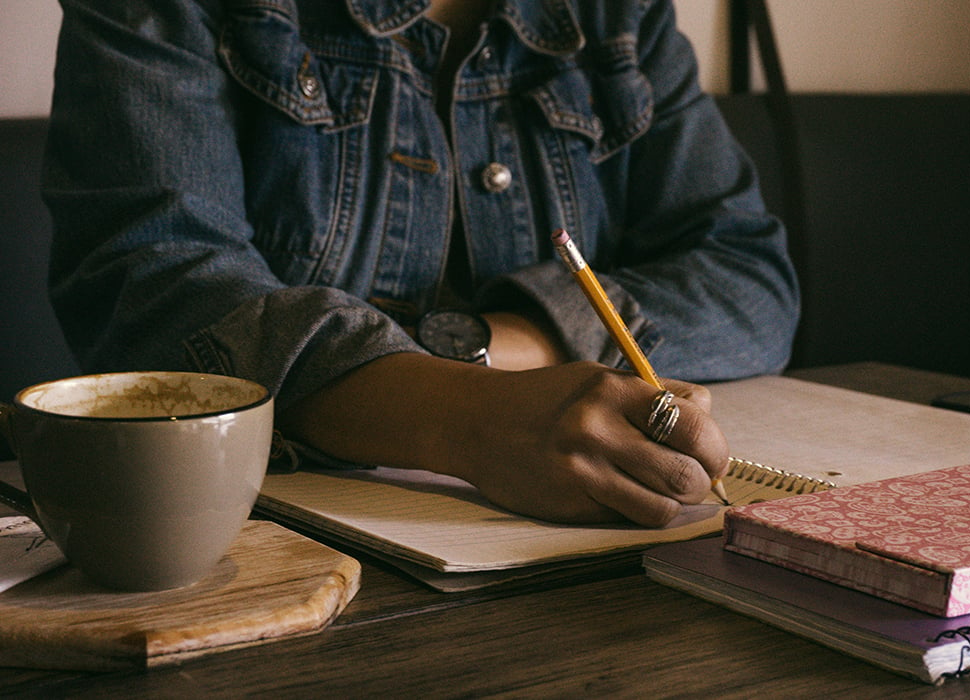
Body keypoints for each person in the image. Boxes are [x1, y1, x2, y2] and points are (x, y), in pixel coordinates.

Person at [42, 0, 799, 527]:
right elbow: (149, 289)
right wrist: (464, 417)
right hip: (259, 556)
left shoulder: (617, 17)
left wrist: (483, 347)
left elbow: (750, 280)